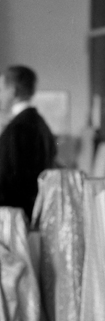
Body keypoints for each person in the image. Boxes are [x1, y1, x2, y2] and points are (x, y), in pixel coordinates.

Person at [0, 65, 56, 220]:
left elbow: (7, 176)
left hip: (15, 216)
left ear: (12, 91)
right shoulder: (39, 124)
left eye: (1, 90)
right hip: (33, 212)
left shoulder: (18, 128)